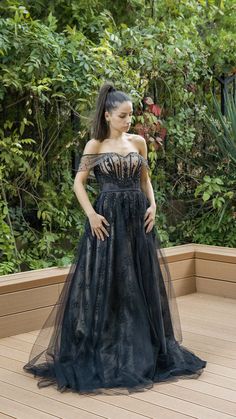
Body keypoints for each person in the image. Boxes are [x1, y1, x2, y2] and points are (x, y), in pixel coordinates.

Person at [23, 82, 207, 395]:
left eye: (131, 115)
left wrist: (154, 205)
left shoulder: (139, 142)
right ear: (108, 115)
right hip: (107, 220)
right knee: (109, 281)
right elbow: (78, 184)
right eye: (123, 116)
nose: (129, 121)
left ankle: (144, 347)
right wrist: (91, 215)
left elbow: (145, 180)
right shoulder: (94, 144)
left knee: (141, 279)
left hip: (138, 220)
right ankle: (108, 347)